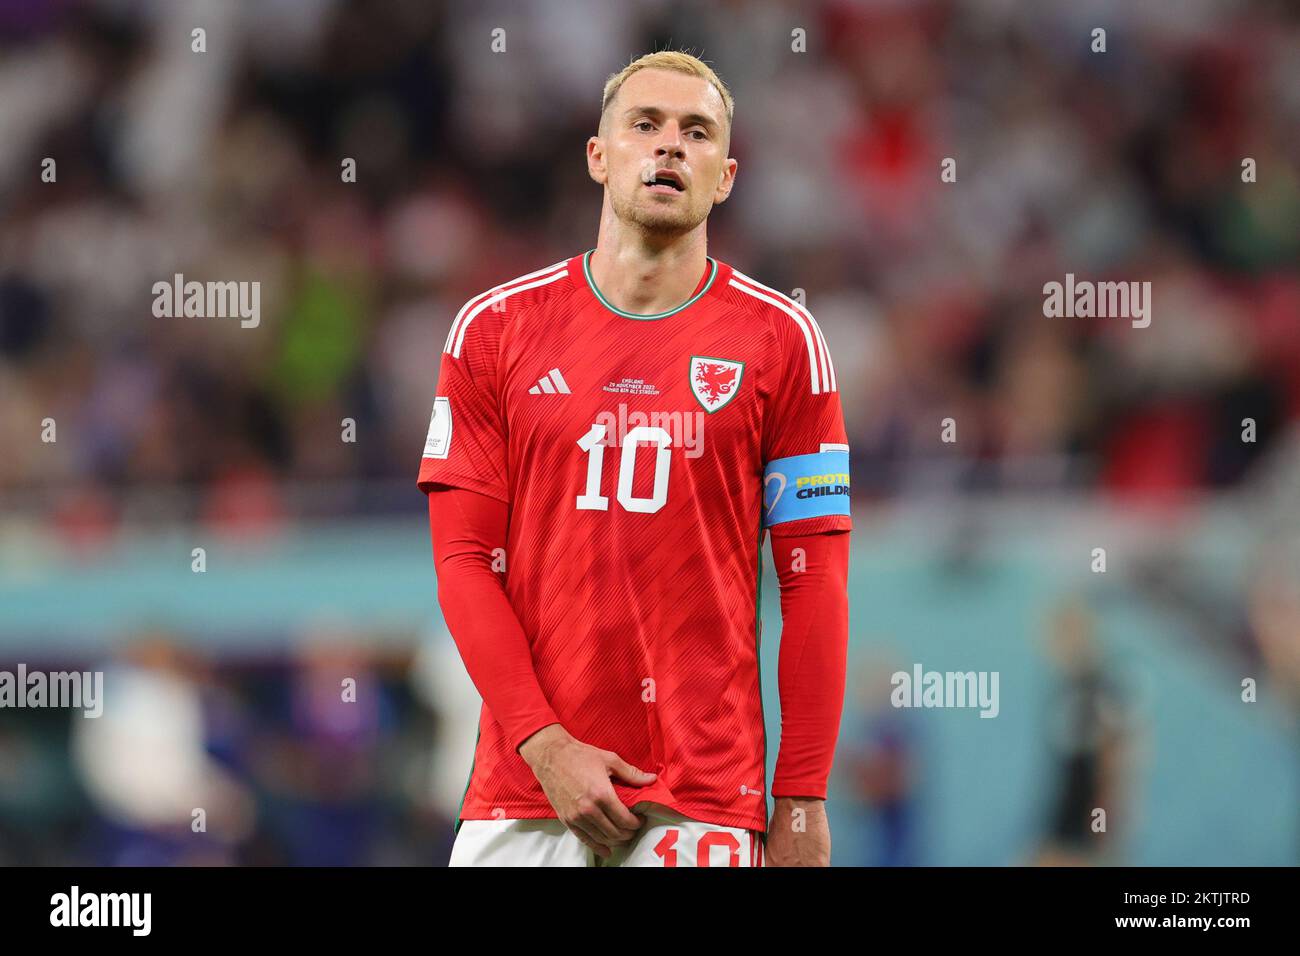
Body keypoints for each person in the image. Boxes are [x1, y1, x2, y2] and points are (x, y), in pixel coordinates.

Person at [419, 51, 852, 866]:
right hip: (522, 796)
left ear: (725, 176)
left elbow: (816, 585)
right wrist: (546, 746)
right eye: (644, 125)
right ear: (598, 155)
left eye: (696, 133)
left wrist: (801, 798)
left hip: (702, 802)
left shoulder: (782, 343)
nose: (669, 147)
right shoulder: (494, 331)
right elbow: (463, 561)